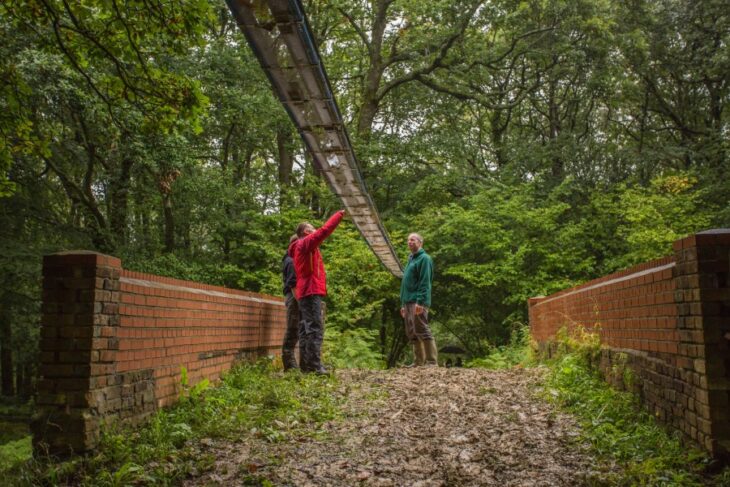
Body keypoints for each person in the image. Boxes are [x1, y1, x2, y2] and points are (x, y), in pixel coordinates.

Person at [289, 210, 346, 374]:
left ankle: (307, 366)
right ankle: (314, 366)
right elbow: (324, 231)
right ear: (306, 232)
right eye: (312, 228)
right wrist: (339, 214)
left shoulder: (301, 246)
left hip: (306, 290)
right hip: (311, 290)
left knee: (307, 328)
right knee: (315, 328)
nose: (315, 230)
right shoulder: (304, 243)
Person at [400, 233, 438, 366]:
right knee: (411, 331)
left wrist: (420, 302)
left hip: (418, 301)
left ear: (420, 242)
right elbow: (406, 284)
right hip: (408, 301)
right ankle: (418, 362)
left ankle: (431, 361)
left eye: (413, 239)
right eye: (408, 239)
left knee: (422, 328)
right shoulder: (411, 259)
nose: (409, 242)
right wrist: (403, 304)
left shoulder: (424, 259)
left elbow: (425, 282)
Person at [281, 234, 300, 371]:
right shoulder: (291, 261)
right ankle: (289, 366)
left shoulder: (290, 259)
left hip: (293, 296)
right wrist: (300, 301)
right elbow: (293, 283)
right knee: (293, 329)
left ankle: (292, 365)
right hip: (293, 297)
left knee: (296, 329)